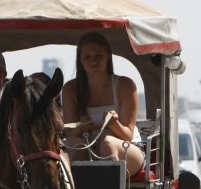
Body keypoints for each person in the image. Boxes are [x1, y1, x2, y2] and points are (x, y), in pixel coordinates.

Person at [61, 32, 145, 176]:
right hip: (88, 146)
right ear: (80, 60)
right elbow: (70, 134)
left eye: (99, 56)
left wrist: (114, 124)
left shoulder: (125, 86)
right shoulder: (70, 89)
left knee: (107, 143)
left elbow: (128, 136)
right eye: (87, 57)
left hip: (127, 148)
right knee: (75, 143)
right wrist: (81, 128)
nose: (93, 62)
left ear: (108, 57)